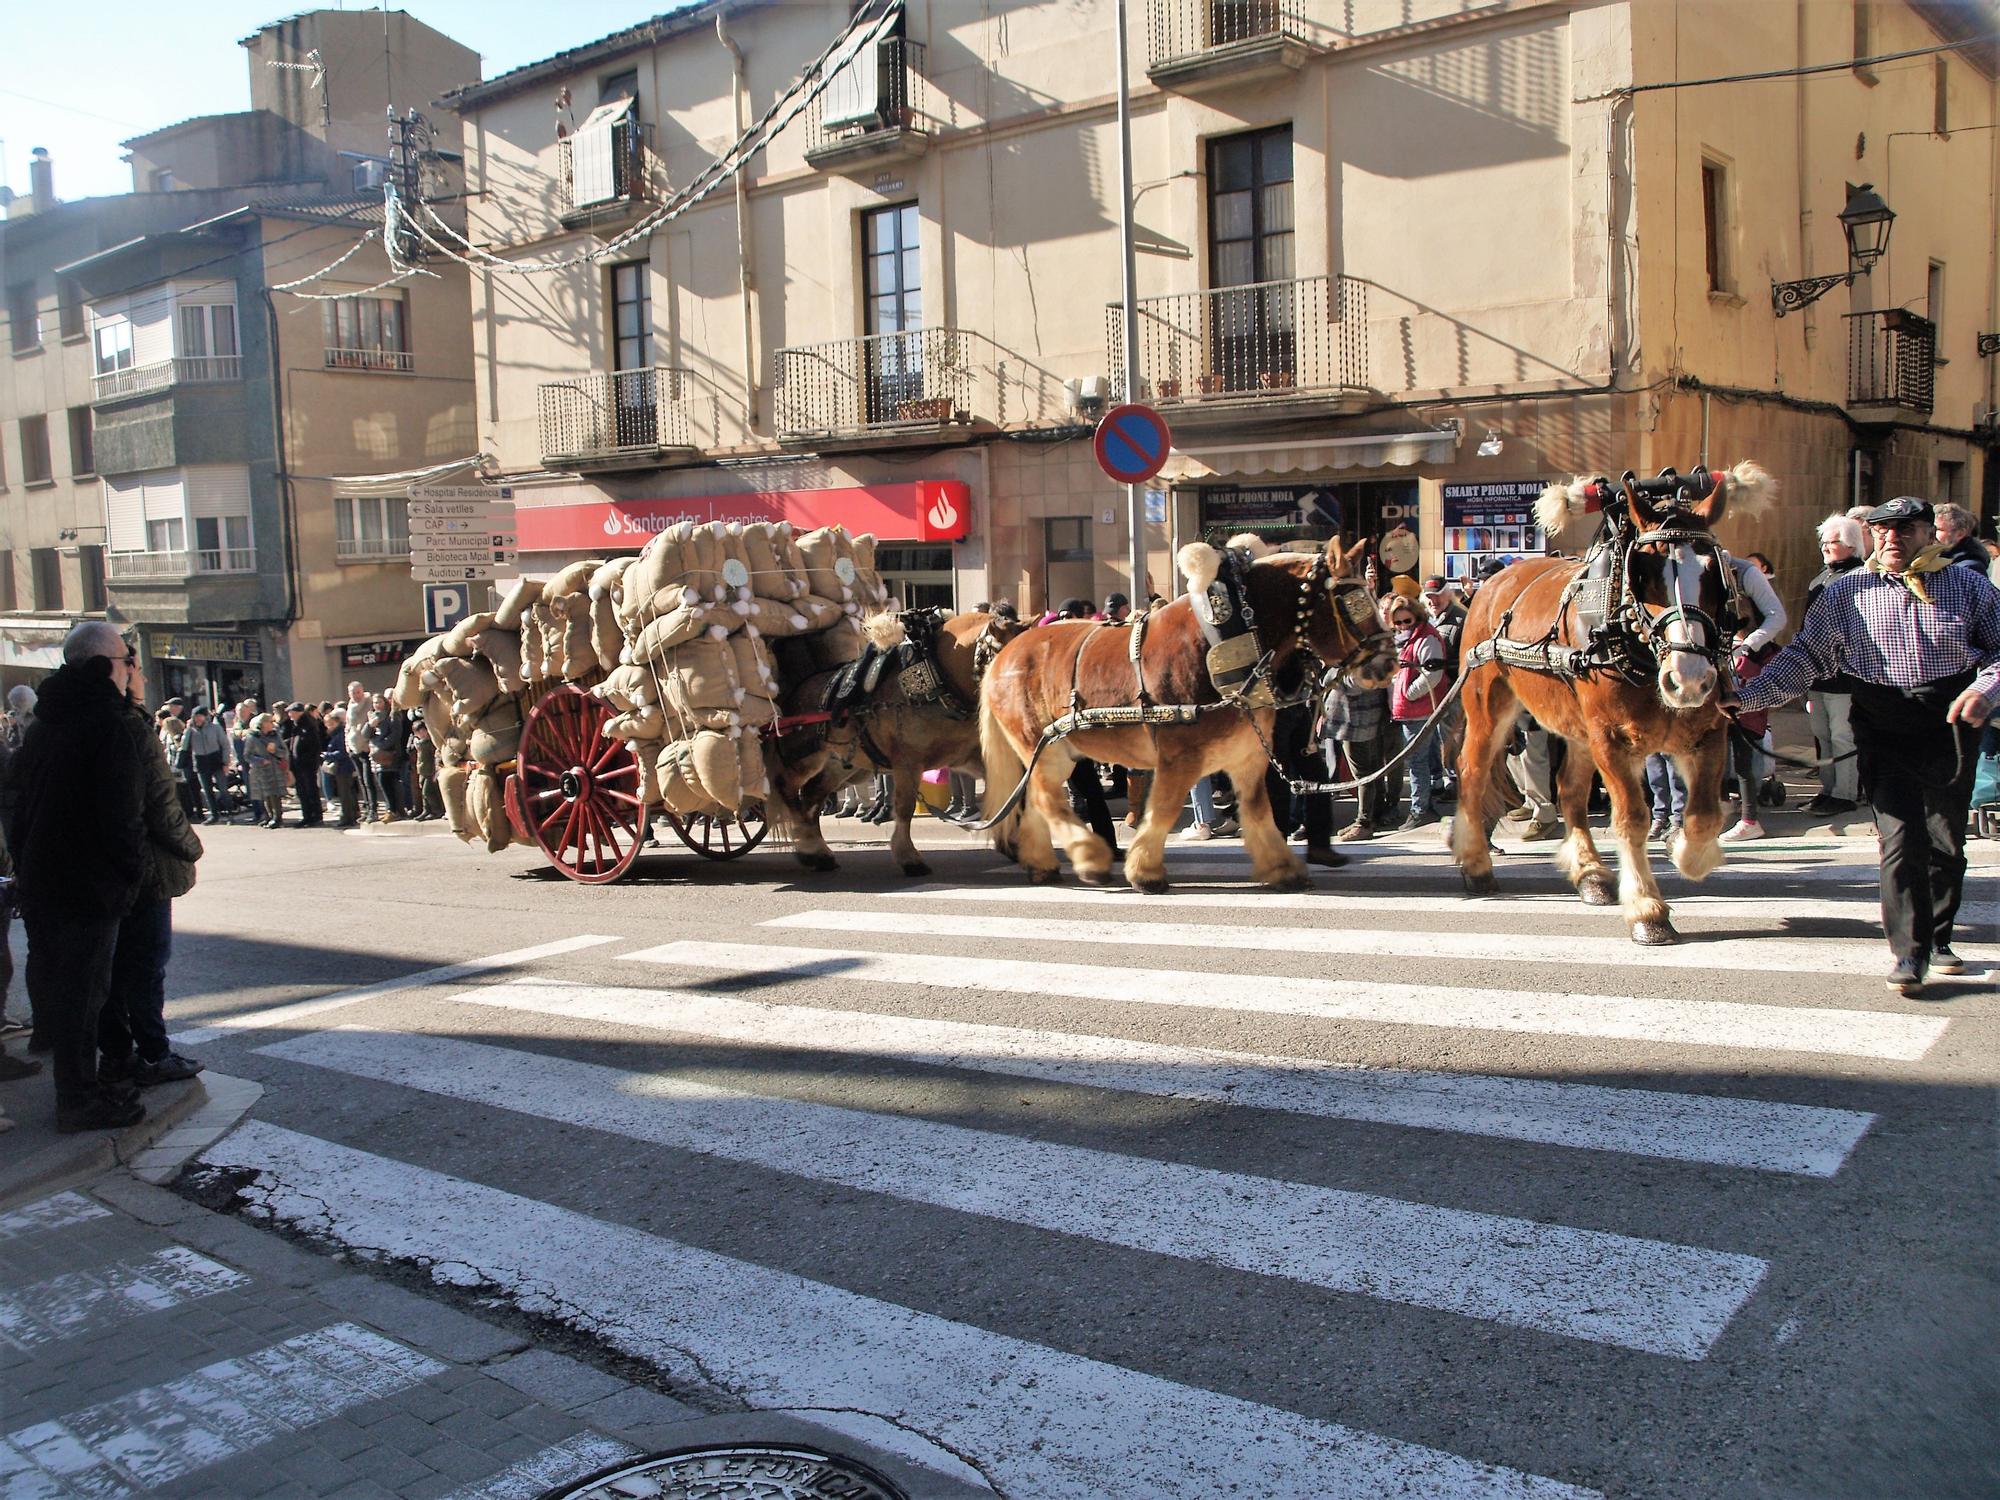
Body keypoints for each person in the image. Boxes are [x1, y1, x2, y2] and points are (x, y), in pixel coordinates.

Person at [1735, 496, 2000, 994]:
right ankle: (1909, 952)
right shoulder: (1848, 591)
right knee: (1899, 838)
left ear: (1930, 534)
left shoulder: (1969, 586)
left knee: (1945, 839)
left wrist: (1985, 690)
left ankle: (1939, 937)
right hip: (1882, 723)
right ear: (1873, 535)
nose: (1893, 538)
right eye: (1884, 530)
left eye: (1906, 529)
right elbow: (1805, 657)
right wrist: (1746, 697)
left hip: (1950, 722)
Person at [3, 623, 152, 1132]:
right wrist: (128, 878)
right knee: (85, 995)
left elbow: (16, 802)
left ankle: (80, 1088)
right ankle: (79, 1098)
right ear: (105, 665)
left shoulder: (47, 721)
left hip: (46, 877)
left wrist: (24, 863)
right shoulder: (106, 724)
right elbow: (123, 815)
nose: (131, 668)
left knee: (70, 991)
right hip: (89, 884)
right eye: (127, 659)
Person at [99, 648, 204, 1090]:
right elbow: (161, 804)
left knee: (114, 970)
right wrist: (191, 847)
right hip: (141, 869)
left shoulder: (65, 721)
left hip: (99, 870)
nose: (142, 675)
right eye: (136, 667)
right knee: (145, 967)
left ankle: (118, 1054)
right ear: (120, 671)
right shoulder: (128, 726)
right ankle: (153, 1054)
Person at [1718, 551, 1788, 843]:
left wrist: (1746, 647)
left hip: (1745, 692)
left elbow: (1777, 617)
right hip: (1721, 688)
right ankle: (1722, 808)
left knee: (1744, 758)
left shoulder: (1745, 574)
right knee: (1716, 756)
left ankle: (1749, 819)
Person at [1803, 515, 1866, 814]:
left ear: (1851, 545)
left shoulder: (1859, 577)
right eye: (1824, 542)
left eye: (1834, 542)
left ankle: (1845, 793)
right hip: (1818, 675)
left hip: (1844, 677)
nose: (1826, 547)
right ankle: (1828, 789)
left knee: (1843, 736)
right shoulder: (1820, 579)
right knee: (1823, 735)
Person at [1385, 594, 1446, 830]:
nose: (1402, 626)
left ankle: (1420, 809)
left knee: (1416, 761)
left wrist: (1408, 693)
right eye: (1398, 622)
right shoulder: (1404, 639)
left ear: (1417, 617)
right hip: (1407, 709)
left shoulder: (1426, 638)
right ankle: (1423, 805)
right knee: (1419, 760)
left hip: (1418, 709)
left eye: (1407, 621)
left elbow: (1433, 673)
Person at [180, 706, 232, 822]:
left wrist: (226, 762)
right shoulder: (191, 730)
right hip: (200, 761)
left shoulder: (215, 728)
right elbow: (184, 746)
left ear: (205, 716)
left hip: (215, 759)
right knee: (207, 790)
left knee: (223, 789)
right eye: (195, 717)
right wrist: (187, 730)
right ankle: (214, 815)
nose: (198, 719)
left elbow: (225, 745)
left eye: (200, 716)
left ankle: (230, 813)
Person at [244, 712, 289, 827]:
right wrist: (260, 760)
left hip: (275, 768)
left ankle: (277, 818)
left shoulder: (275, 735)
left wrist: (275, 751)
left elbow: (284, 752)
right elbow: (247, 755)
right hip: (260, 770)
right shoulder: (253, 737)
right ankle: (268, 816)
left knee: (275, 794)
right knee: (265, 794)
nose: (272, 724)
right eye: (270, 721)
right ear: (263, 723)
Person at [286, 702, 327, 827]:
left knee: (310, 790)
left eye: (291, 712)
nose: (289, 714)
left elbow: (314, 746)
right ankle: (307, 816)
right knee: (302, 792)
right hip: (298, 765)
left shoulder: (308, 726)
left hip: (307, 765)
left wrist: (306, 760)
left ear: (298, 712)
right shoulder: (296, 725)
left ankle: (315, 816)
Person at [322, 708, 361, 827]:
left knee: (345, 793)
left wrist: (327, 755)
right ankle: (353, 814)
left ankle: (347, 817)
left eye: (329, 724)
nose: (327, 727)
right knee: (349, 792)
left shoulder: (339, 735)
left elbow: (342, 752)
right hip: (344, 766)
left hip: (343, 767)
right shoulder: (338, 733)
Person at [1934, 502, 1990, 574]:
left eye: (1938, 529)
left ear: (1960, 534)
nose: (1932, 535)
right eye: (1929, 529)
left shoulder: (1968, 569)